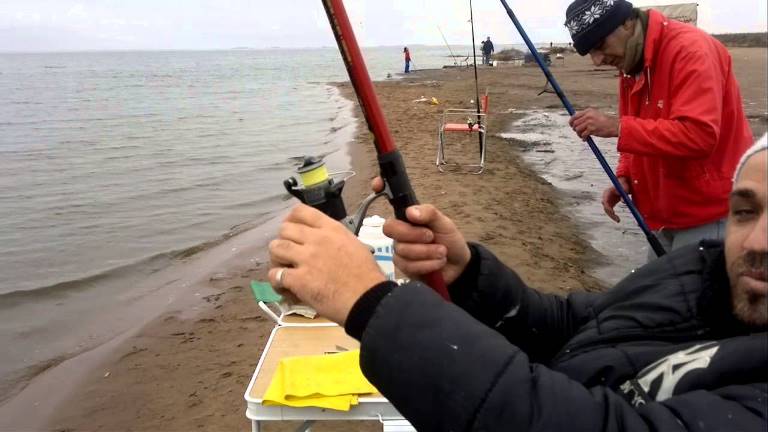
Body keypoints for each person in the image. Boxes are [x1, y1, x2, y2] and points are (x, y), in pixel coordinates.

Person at [267, 136, 767, 431]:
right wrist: (466, 276)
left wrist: (372, 305)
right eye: (745, 211)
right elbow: (575, 324)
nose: (757, 241)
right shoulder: (701, 272)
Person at [564, 0, 753, 257]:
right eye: (590, 52)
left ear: (627, 23)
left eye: (599, 45)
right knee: (655, 296)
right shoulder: (631, 61)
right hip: (662, 216)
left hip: (710, 215)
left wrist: (617, 127)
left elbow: (699, 136)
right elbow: (639, 129)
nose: (597, 60)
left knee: (695, 298)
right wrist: (626, 176)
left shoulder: (690, 50)